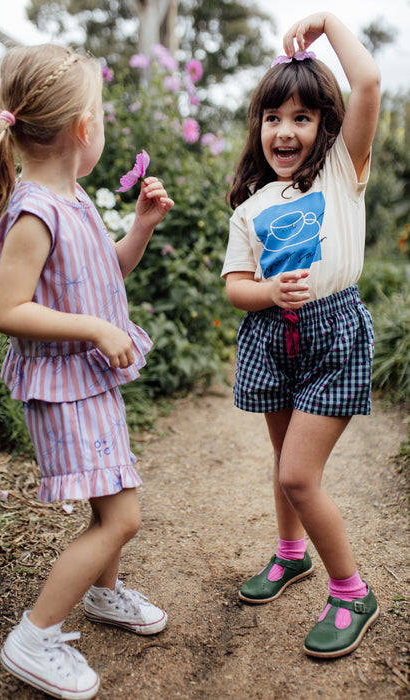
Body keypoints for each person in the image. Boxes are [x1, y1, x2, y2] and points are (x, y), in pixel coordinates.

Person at [0, 44, 174, 699]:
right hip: (63, 388)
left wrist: (140, 229)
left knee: (110, 487)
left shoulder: (74, 199)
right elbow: (10, 309)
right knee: (120, 517)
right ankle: (33, 636)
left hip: (88, 380)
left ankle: (104, 593)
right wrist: (94, 329)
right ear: (83, 129)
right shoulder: (34, 212)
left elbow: (97, 275)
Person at [222, 12, 381, 659]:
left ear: (325, 129)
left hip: (333, 333)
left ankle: (350, 591)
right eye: (271, 117)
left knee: (297, 475)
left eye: (301, 117)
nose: (283, 130)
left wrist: (324, 22)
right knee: (283, 465)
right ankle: (291, 556)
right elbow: (235, 285)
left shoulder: (342, 172)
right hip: (271, 337)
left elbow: (367, 82)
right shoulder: (250, 208)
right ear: (258, 127)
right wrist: (266, 293)